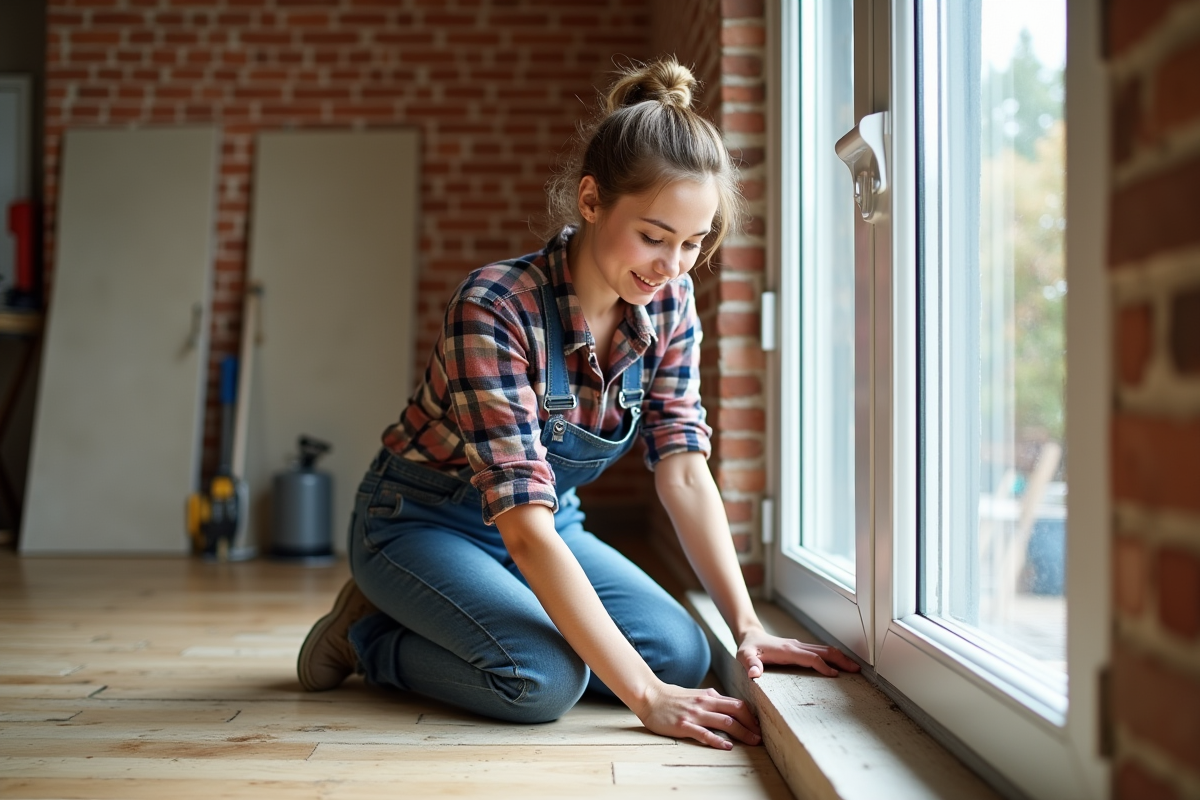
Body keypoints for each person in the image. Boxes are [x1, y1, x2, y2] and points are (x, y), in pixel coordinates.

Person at [296, 55, 859, 751]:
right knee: (540, 680)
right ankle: (368, 635)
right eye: (653, 236)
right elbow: (523, 528)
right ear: (591, 202)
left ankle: (494, 609)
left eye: (692, 243)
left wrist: (748, 626)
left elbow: (683, 468)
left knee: (683, 657)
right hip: (422, 522)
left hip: (547, 523)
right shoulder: (494, 307)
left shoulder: (671, 302)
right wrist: (646, 700)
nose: (671, 266)